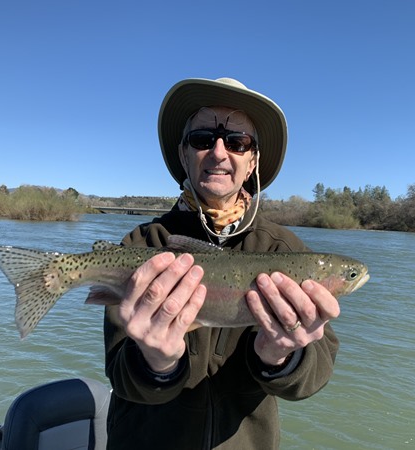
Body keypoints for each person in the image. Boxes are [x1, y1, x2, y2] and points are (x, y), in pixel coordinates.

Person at [103, 77, 340, 449]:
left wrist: (280, 357)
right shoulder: (140, 246)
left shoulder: (287, 252)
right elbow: (121, 376)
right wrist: (157, 363)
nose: (218, 152)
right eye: (201, 139)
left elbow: (314, 375)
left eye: (237, 142)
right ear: (184, 155)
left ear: (253, 161)